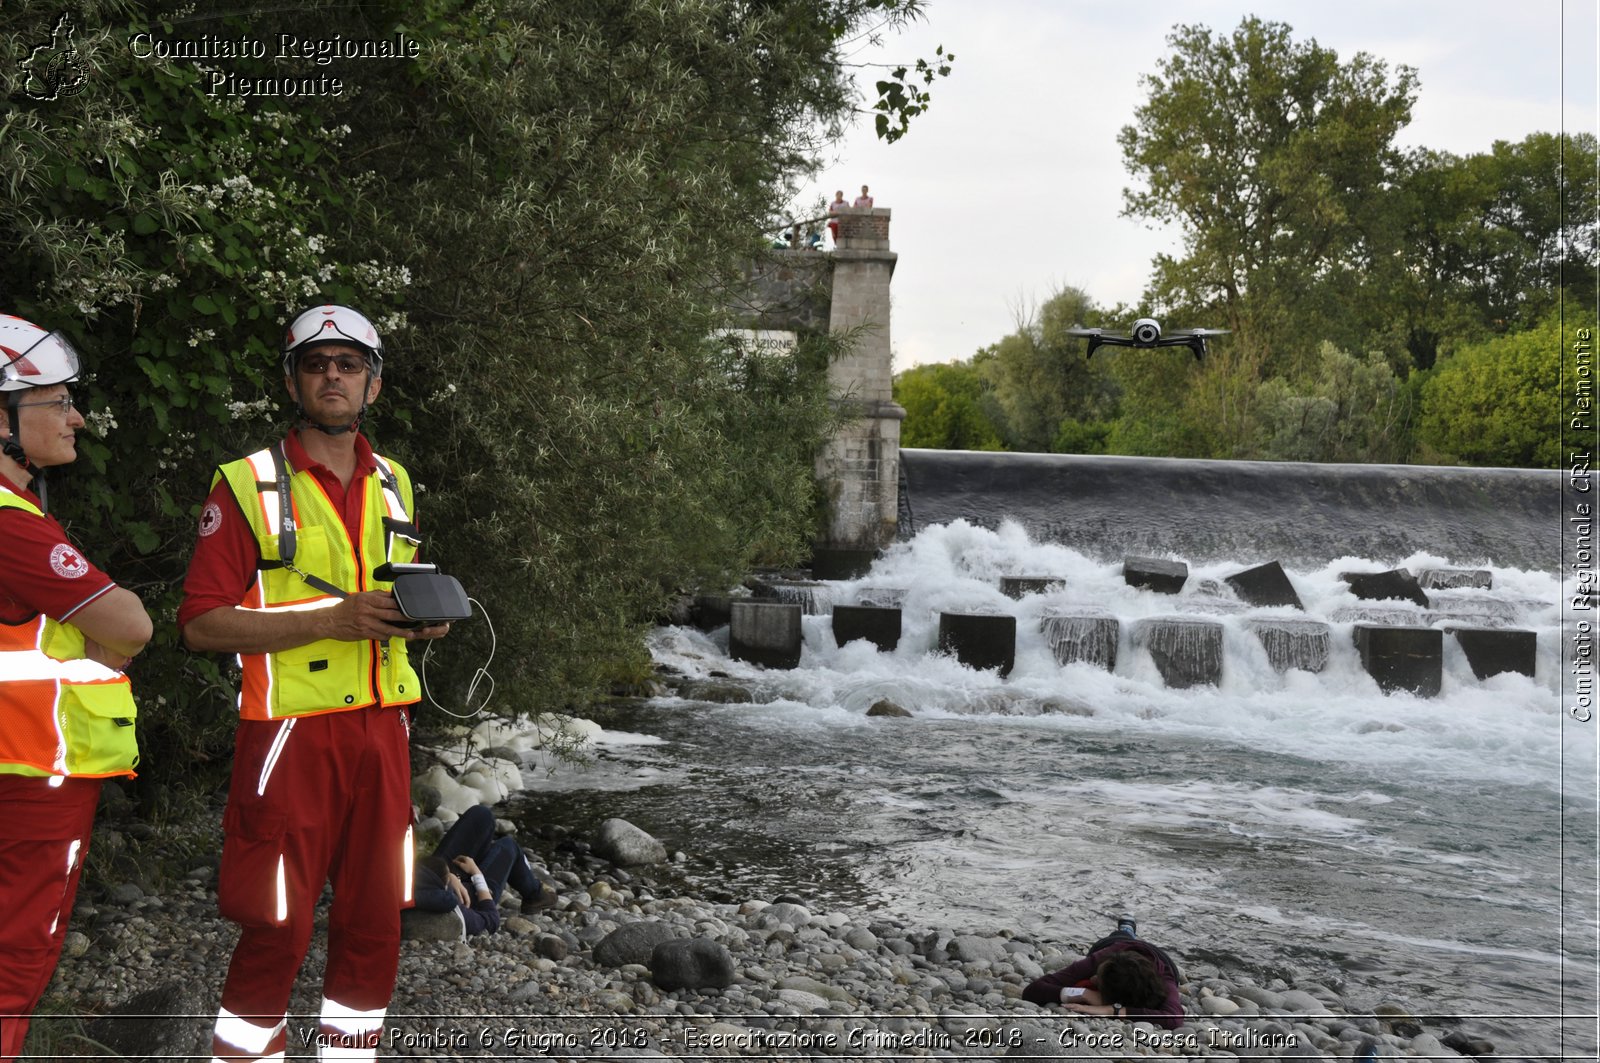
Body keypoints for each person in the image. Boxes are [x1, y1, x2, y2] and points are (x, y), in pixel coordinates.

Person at [180, 304, 450, 1063]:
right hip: (290, 735)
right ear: (294, 381)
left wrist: (419, 620)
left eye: (349, 363)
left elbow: (385, 597)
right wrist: (335, 620)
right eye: (315, 362)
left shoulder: (395, 481)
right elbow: (200, 624)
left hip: (383, 732)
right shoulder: (247, 482)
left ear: (375, 384)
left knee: (375, 919)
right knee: (276, 921)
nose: (332, 374)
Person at [0, 315, 153, 1061]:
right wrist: (102, 641)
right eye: (56, 402)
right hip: (30, 776)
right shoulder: (13, 523)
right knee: (13, 963)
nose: (76, 417)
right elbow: (131, 624)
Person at [412, 805, 553, 936]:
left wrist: (448, 876)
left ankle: (482, 858)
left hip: (435, 875)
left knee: (481, 814)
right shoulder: (450, 906)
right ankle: (535, 894)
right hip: (474, 894)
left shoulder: (404, 888)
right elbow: (491, 920)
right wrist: (477, 875)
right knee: (507, 845)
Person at [1021, 916, 1185, 1029]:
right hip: (1117, 944)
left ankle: (1128, 931)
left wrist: (1113, 1010)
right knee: (1121, 936)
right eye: (1097, 974)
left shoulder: (1165, 978)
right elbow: (1032, 991)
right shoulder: (1101, 959)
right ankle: (1126, 930)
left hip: (1162, 957)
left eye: (1098, 980)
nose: (1092, 979)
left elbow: (1174, 1019)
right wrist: (1083, 993)